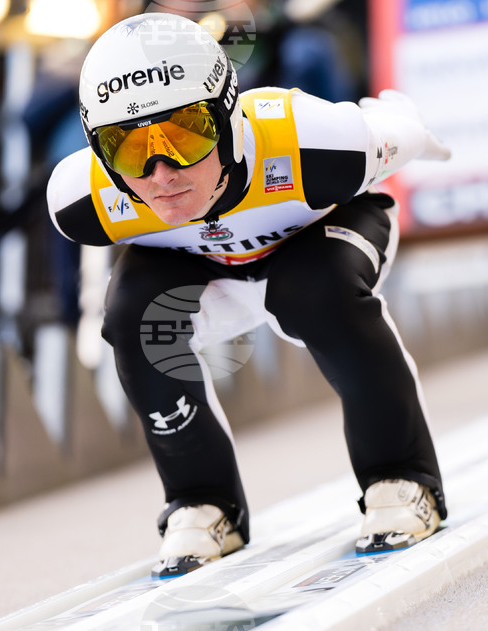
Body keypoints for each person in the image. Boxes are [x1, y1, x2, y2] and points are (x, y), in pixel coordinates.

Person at [47, 13, 450, 577]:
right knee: (133, 317)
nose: (162, 173)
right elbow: (104, 281)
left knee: (316, 290)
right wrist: (101, 318)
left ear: (229, 117)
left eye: (184, 135)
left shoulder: (314, 140)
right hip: (210, 270)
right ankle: (202, 500)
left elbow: (396, 127)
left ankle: (403, 476)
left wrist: (417, 132)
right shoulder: (81, 197)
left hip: (320, 241)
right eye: (130, 150)